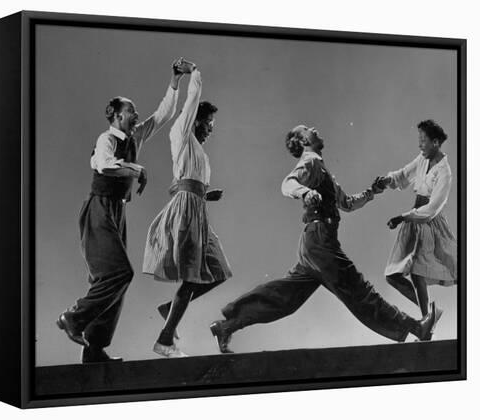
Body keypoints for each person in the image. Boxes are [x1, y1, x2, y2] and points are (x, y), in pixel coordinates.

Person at [209, 124, 440, 354]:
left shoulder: (321, 168)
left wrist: (372, 191)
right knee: (359, 290)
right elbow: (287, 183)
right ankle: (416, 327)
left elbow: (347, 203)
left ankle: (226, 326)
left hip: (313, 243)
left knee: (284, 299)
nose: (314, 128)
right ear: (303, 142)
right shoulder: (309, 162)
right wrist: (306, 192)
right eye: (308, 129)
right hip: (320, 242)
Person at [56, 59, 185, 363]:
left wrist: (175, 81)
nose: (135, 115)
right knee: (118, 274)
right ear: (115, 116)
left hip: (117, 212)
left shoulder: (135, 136)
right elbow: (104, 165)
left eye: (135, 112)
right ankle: (73, 318)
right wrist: (136, 169)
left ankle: (94, 348)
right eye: (130, 111)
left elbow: (163, 114)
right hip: (98, 210)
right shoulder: (107, 139)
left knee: (111, 281)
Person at [142, 61, 232, 358]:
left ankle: (170, 310)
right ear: (195, 120)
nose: (210, 130)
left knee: (218, 272)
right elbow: (191, 101)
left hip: (197, 212)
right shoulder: (181, 134)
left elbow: (181, 183)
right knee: (192, 278)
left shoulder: (198, 152)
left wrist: (206, 194)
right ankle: (165, 340)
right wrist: (193, 72)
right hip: (185, 214)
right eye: (208, 124)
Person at [374, 120, 456, 322]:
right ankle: (429, 314)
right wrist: (386, 180)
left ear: (435, 143)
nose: (420, 145)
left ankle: (427, 320)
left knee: (420, 272)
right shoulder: (422, 159)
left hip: (429, 223)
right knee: (393, 275)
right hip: (413, 219)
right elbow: (403, 175)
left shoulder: (444, 172)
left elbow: (432, 209)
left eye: (423, 141)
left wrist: (403, 217)